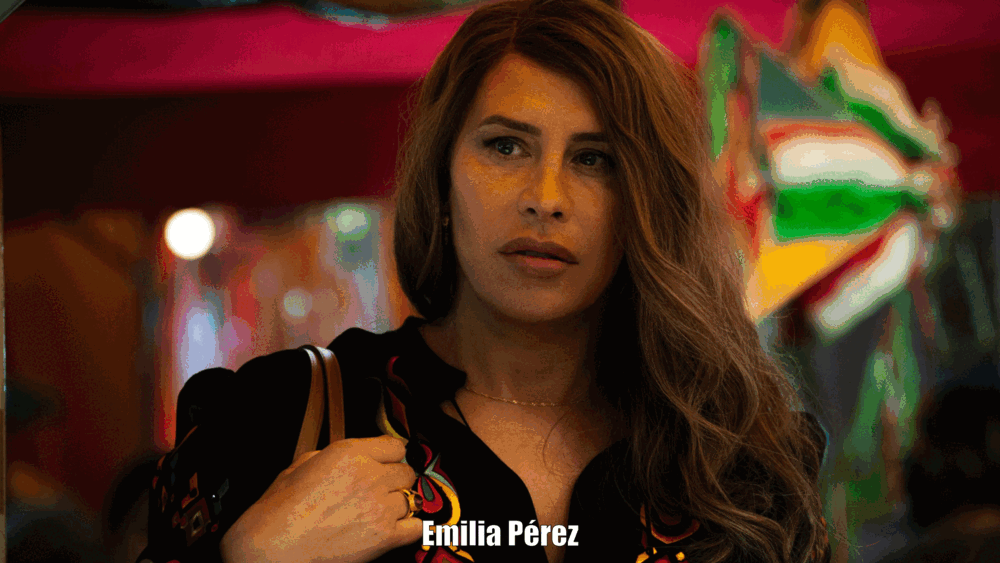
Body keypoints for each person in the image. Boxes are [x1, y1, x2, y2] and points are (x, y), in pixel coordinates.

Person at [139, 1, 830, 562]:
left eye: (594, 159)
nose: (545, 197)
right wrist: (252, 557)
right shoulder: (277, 418)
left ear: (646, 202)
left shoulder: (741, 464)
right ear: (441, 176)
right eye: (505, 146)